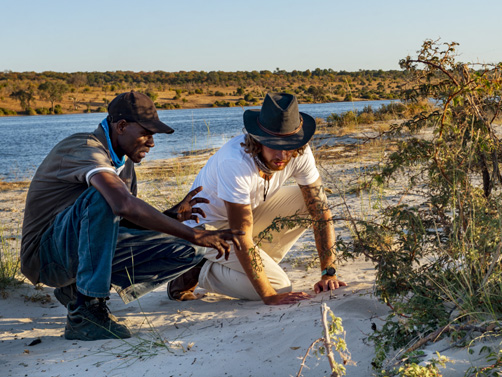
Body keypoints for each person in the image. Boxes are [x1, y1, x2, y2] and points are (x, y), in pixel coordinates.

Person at [20, 91, 242, 341]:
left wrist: (170, 217)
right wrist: (195, 232)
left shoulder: (125, 165)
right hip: (45, 257)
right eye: (146, 133)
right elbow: (121, 205)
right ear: (122, 126)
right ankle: (86, 312)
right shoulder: (84, 148)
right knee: (104, 197)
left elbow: (118, 220)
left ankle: (76, 290)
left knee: (189, 251)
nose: (151, 143)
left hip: (79, 250)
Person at [176, 92, 346, 305]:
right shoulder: (234, 162)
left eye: (289, 145)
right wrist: (269, 296)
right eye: (275, 144)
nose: (283, 156)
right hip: (208, 230)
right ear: (257, 140)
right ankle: (198, 270)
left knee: (311, 202)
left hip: (247, 216)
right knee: (279, 286)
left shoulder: (299, 152)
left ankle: (247, 266)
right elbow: (241, 234)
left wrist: (328, 272)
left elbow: (321, 212)